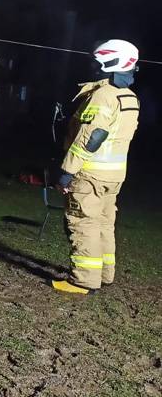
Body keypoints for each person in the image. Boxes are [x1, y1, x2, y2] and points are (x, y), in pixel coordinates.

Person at [53, 40, 140, 294]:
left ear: (110, 63)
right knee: (104, 223)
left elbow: (90, 138)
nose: (93, 66)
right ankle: (104, 274)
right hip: (114, 175)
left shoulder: (103, 95)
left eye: (97, 61)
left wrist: (67, 172)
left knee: (83, 223)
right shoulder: (129, 97)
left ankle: (83, 280)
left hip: (90, 173)